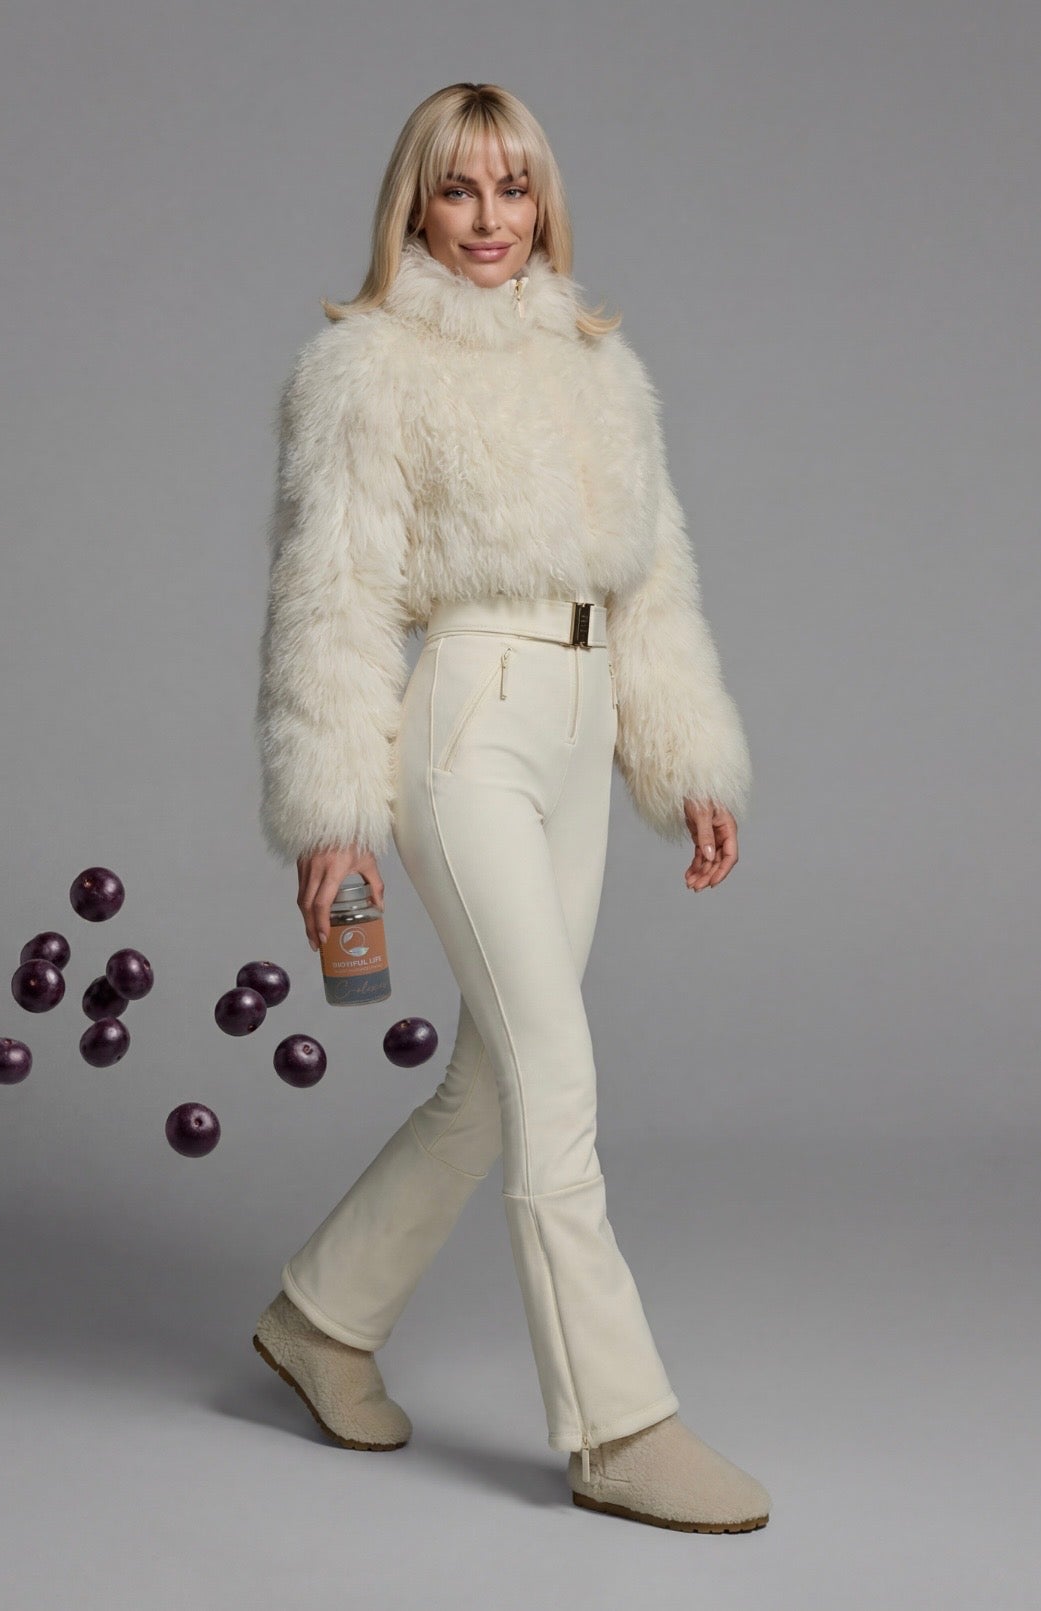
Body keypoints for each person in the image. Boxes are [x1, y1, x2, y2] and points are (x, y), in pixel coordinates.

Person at [251, 82, 768, 1535]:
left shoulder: (603, 364)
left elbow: (651, 582)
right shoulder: (364, 366)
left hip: (585, 725)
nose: (491, 219)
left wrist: (688, 760)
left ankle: (319, 1320)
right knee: (556, 1073)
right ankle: (618, 1426)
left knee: (489, 1083)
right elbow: (331, 598)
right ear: (412, 206)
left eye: (515, 187)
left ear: (546, 202)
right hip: (469, 722)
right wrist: (334, 815)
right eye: (459, 189)